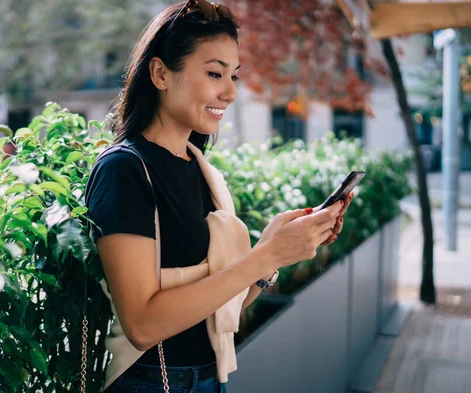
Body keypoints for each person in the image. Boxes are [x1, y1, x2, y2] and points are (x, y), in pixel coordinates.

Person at [85, 1, 353, 392]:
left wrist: (270, 254)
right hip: (151, 382)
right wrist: (267, 256)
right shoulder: (124, 169)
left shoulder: (201, 170)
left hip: (211, 378)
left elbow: (221, 306)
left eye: (234, 77)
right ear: (160, 73)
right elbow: (142, 325)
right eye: (214, 73)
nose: (229, 92)